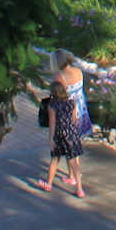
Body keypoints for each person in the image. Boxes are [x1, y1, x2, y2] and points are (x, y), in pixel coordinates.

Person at [31, 58, 89, 198]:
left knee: (55, 159)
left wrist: (51, 139)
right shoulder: (71, 103)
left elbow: (52, 123)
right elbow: (74, 119)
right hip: (72, 134)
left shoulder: (52, 105)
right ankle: (79, 189)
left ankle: (49, 184)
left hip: (59, 134)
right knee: (74, 162)